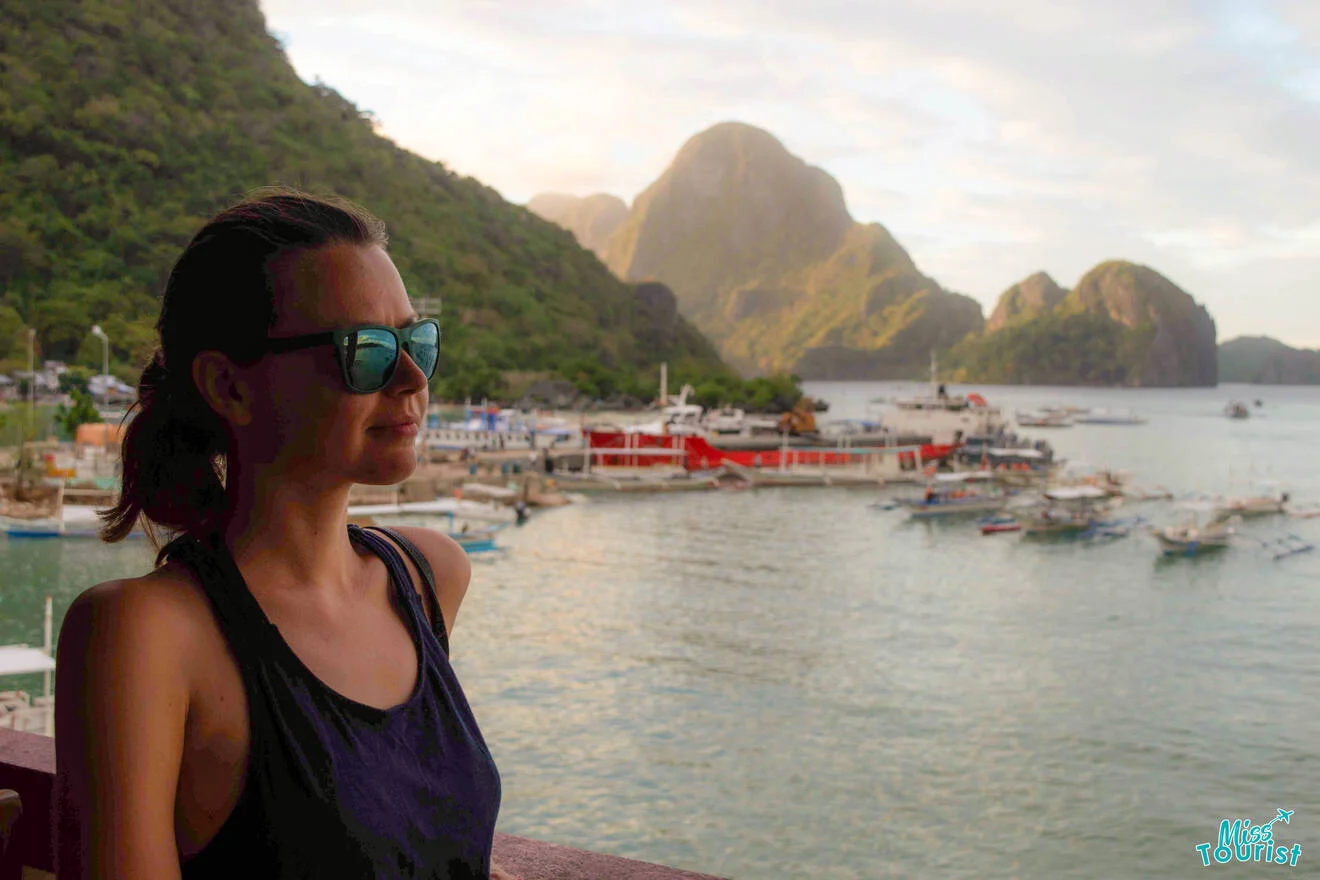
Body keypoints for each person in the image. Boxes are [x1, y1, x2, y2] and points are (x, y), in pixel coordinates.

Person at [54, 190, 516, 879]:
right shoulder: (146, 635)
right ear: (229, 387)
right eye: (365, 351)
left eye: (416, 342)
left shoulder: (428, 577)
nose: (413, 379)